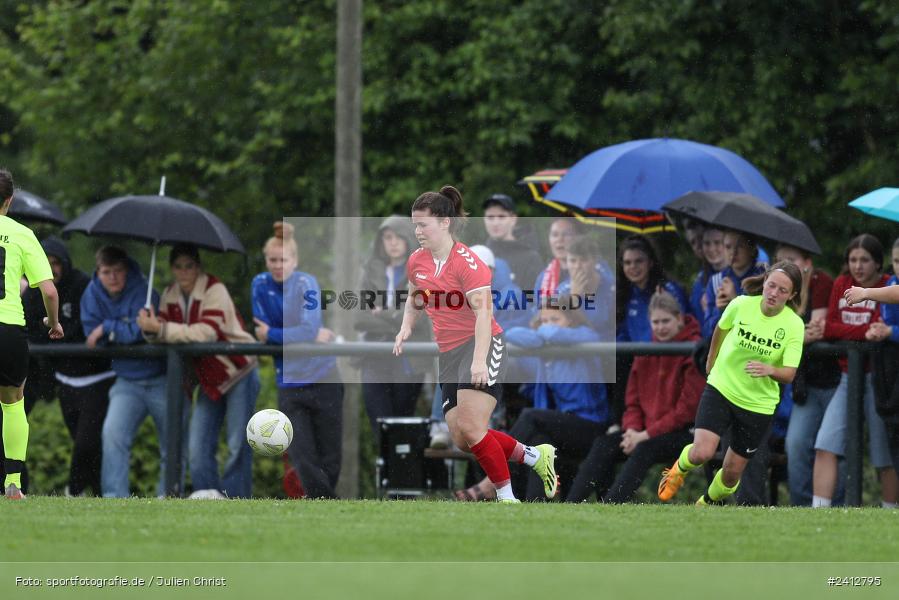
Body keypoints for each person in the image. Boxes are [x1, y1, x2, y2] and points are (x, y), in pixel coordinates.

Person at [394, 185, 556, 503]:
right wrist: (405, 327)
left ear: (445, 223)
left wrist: (480, 361)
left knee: (471, 425)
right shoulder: (417, 260)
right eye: (414, 224)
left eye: (423, 224)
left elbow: (484, 315)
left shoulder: (468, 263)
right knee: (462, 438)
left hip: (483, 344)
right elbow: (414, 296)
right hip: (450, 353)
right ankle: (536, 457)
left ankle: (507, 499)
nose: (417, 231)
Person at [657, 261, 805, 505]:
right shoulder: (740, 304)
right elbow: (720, 329)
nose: (774, 293)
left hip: (758, 404)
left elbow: (789, 374)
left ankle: (706, 502)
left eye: (782, 291)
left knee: (731, 474)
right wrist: (711, 361)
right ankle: (678, 469)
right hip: (722, 387)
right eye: (771, 286)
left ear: (792, 295)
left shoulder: (793, 325)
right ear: (765, 282)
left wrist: (769, 369)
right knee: (702, 452)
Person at [455, 294, 610, 501]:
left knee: (530, 417)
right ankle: (535, 504)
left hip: (590, 426)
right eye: (544, 320)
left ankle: (491, 483)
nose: (548, 326)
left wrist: (542, 333)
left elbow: (588, 336)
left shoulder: (582, 340)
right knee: (538, 445)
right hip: (560, 425)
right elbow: (511, 333)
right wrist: (543, 334)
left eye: (555, 320)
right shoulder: (545, 349)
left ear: (571, 321)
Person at [137, 243, 260, 499]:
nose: (184, 272)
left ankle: (236, 499)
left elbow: (206, 333)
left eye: (189, 266)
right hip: (207, 377)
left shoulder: (215, 289)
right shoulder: (169, 294)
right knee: (197, 446)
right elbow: (163, 335)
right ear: (171, 269)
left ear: (198, 267)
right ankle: (209, 496)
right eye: (178, 266)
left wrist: (159, 329)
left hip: (238, 370)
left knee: (238, 443)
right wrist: (148, 329)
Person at [567, 291, 704, 503]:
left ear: (679, 319)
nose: (660, 327)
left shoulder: (694, 349)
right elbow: (633, 402)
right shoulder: (645, 349)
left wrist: (645, 435)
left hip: (683, 432)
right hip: (644, 431)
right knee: (606, 443)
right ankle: (571, 504)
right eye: (655, 322)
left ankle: (612, 505)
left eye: (666, 321)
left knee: (644, 449)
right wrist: (631, 430)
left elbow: (686, 411)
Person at [252, 221, 344, 499]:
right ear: (266, 260)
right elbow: (265, 330)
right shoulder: (259, 284)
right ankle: (325, 503)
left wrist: (274, 334)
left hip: (324, 376)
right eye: (272, 260)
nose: (278, 265)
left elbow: (301, 329)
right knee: (302, 453)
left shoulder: (306, 282)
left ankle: (322, 503)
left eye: (284, 260)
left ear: (295, 260)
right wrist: (296, 335)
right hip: (290, 381)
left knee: (331, 456)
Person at [81, 245, 182, 498]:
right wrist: (117, 329)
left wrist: (108, 328)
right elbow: (90, 334)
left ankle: (168, 498)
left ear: (126, 270)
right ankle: (115, 499)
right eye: (106, 272)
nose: (112, 277)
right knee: (113, 437)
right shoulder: (91, 293)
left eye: (117, 271)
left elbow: (140, 333)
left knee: (172, 445)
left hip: (162, 380)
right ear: (98, 272)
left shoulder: (145, 291)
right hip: (126, 382)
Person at [21, 237, 114, 496]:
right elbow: (28, 327)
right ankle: (92, 493)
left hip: (95, 375)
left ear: (66, 264)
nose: (52, 268)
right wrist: (49, 330)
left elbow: (88, 324)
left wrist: (56, 330)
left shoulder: (84, 285)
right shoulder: (33, 290)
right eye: (46, 263)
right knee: (81, 441)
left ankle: (76, 491)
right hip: (60, 377)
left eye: (56, 263)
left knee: (87, 443)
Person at [812, 234, 898, 508]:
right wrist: (857, 332)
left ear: (878, 264)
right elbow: (832, 327)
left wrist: (865, 299)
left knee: (884, 452)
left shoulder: (887, 285)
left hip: (880, 376)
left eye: (864, 260)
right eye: (853, 260)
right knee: (825, 443)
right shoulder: (843, 284)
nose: (858, 266)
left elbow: (876, 327)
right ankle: (818, 512)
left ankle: (889, 512)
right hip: (849, 376)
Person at [0, 169, 64, 499]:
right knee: (12, 404)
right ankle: (14, 482)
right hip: (9, 329)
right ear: (9, 200)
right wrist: (53, 323)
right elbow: (49, 292)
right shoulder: (22, 234)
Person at [776, 243, 840, 506]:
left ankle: (840, 506)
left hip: (835, 378)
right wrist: (798, 336)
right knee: (796, 444)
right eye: (780, 261)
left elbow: (817, 328)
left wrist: (797, 334)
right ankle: (801, 507)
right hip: (806, 383)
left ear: (807, 263)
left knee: (833, 447)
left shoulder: (822, 282)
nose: (784, 266)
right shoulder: (779, 288)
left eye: (790, 260)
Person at [355, 216, 429, 437]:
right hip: (374, 355)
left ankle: (402, 472)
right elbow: (359, 318)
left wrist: (383, 312)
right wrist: (397, 317)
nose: (393, 242)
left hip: (408, 357)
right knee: (380, 427)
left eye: (398, 237)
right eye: (387, 237)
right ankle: (385, 472)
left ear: (408, 239)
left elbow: (420, 318)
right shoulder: (370, 271)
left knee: (401, 426)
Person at [702, 230, 767, 338]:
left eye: (739, 246)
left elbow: (762, 325)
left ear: (751, 249)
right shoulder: (716, 281)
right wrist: (719, 310)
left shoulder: (764, 280)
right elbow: (708, 331)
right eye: (728, 247)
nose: (733, 252)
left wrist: (735, 300)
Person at [482, 193, 543, 289]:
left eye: (501, 217)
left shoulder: (531, 258)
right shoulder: (477, 255)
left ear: (513, 219)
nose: (495, 223)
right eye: (490, 217)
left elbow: (535, 300)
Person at [689, 226, 728, 322]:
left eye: (717, 242)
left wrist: (711, 310)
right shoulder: (700, 280)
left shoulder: (737, 276)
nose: (712, 249)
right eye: (707, 243)